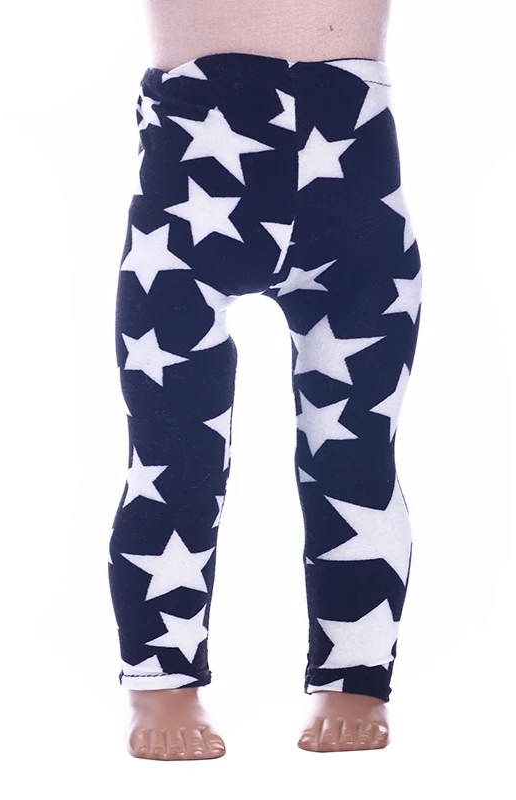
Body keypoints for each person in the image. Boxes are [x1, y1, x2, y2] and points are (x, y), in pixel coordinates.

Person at [108, 0, 422, 759]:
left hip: (353, 185)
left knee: (355, 454)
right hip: (190, 177)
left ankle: (354, 672)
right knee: (172, 454)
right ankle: (161, 679)